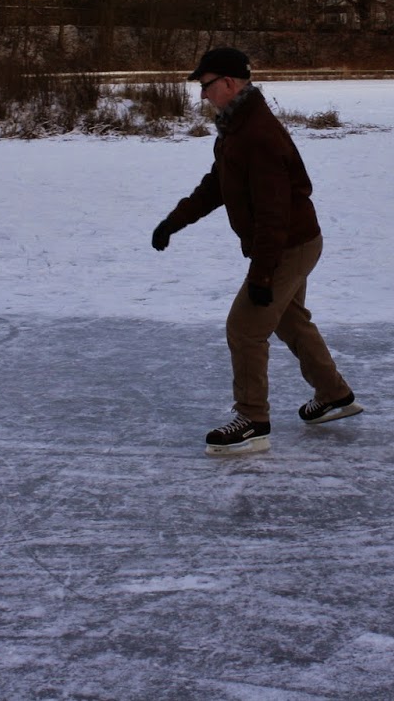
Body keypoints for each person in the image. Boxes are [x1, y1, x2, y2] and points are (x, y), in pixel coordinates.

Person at [151, 47, 362, 455]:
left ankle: (253, 420)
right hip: (293, 242)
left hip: (286, 245)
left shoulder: (257, 136)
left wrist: (263, 275)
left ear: (229, 83)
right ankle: (334, 395)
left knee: (245, 328)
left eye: (206, 86)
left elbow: (273, 215)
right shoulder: (237, 128)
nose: (203, 95)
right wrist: (173, 222)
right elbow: (216, 186)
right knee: (290, 322)